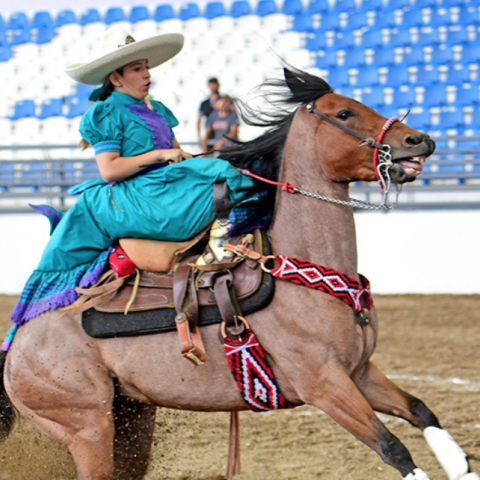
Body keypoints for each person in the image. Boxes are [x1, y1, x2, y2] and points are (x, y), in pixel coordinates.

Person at [10, 28, 262, 326]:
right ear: (116, 78)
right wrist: (159, 156)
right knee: (224, 172)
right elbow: (109, 170)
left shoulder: (158, 109)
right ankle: (225, 245)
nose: (147, 74)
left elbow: (178, 154)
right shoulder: (105, 112)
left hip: (166, 185)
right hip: (139, 196)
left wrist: (188, 158)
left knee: (242, 164)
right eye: (137, 69)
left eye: (146, 67)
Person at [197, 77, 220, 143]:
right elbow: (199, 120)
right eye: (211, 84)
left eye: (214, 84)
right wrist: (199, 136)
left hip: (223, 133)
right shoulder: (205, 103)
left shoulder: (224, 101)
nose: (213, 86)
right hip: (209, 134)